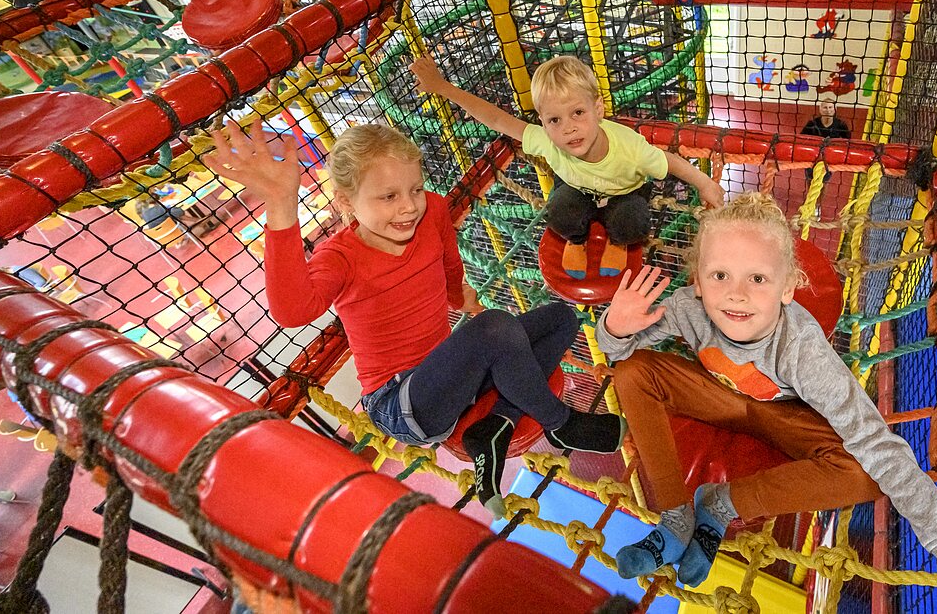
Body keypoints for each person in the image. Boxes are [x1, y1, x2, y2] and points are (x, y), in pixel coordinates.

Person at [594, 193, 937, 612]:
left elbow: (883, 450)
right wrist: (613, 325)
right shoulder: (690, 308)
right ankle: (676, 516)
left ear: (788, 287)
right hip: (717, 396)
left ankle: (719, 504)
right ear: (698, 282)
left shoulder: (802, 351)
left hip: (783, 415)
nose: (736, 294)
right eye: (720, 275)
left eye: (758, 279)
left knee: (867, 476)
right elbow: (618, 348)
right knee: (633, 371)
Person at [204, 120, 625, 517]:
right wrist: (281, 206)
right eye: (388, 197)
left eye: (415, 190)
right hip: (401, 402)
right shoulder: (341, 258)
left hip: (449, 373)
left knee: (559, 320)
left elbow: (448, 268)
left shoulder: (432, 213)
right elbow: (293, 311)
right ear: (347, 202)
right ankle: (563, 424)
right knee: (498, 326)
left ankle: (495, 427)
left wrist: (462, 298)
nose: (408, 207)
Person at [411, 55, 724, 278]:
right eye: (554, 120)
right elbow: (496, 118)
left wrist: (704, 183)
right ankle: (577, 239)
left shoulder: (629, 149)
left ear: (597, 108)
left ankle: (616, 241)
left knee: (633, 221)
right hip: (577, 187)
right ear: (544, 122)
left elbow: (668, 161)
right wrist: (442, 87)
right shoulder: (548, 140)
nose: (568, 129)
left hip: (625, 190)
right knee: (558, 210)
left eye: (577, 113)